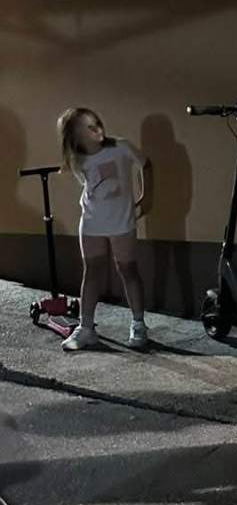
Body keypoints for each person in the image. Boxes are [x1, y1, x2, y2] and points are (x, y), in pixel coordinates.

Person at [56, 107, 152, 352]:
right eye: (86, 128)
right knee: (92, 271)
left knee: (127, 269)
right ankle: (86, 328)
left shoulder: (121, 147)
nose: (95, 129)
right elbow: (90, 186)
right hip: (91, 222)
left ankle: (138, 324)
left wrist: (147, 196)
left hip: (121, 222)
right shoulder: (77, 159)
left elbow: (146, 164)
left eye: (95, 123)